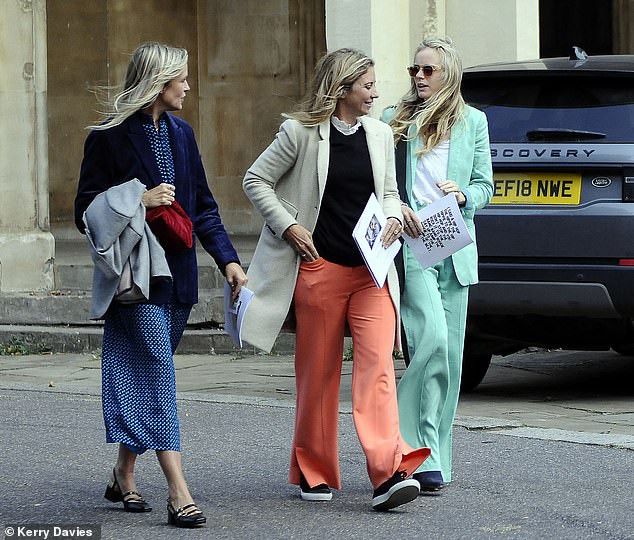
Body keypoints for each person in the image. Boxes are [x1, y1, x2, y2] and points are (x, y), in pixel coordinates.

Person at [240, 48, 430, 511]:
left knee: (378, 370)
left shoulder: (382, 134)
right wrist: (288, 224)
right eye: (368, 85)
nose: (376, 93)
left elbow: (388, 190)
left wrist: (391, 216)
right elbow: (254, 180)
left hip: (372, 272)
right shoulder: (299, 134)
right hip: (320, 269)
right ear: (342, 88)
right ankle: (315, 470)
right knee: (318, 376)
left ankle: (389, 473)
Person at [74, 42, 247, 528]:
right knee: (158, 375)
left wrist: (229, 262)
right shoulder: (107, 138)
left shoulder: (183, 134)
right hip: (137, 277)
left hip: (181, 277)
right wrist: (139, 199)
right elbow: (83, 211)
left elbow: (204, 207)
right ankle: (179, 491)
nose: (189, 86)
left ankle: (122, 473)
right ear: (157, 82)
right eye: (182, 79)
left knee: (148, 375)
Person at [382, 37, 493, 491]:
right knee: (428, 340)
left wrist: (464, 194)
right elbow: (382, 179)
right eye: (415, 70)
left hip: (454, 242)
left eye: (429, 71)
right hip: (413, 242)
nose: (420, 78)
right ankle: (406, 445)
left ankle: (435, 456)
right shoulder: (395, 119)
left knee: (450, 356)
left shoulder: (473, 122)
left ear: (449, 74)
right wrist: (396, 207)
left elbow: (486, 184)